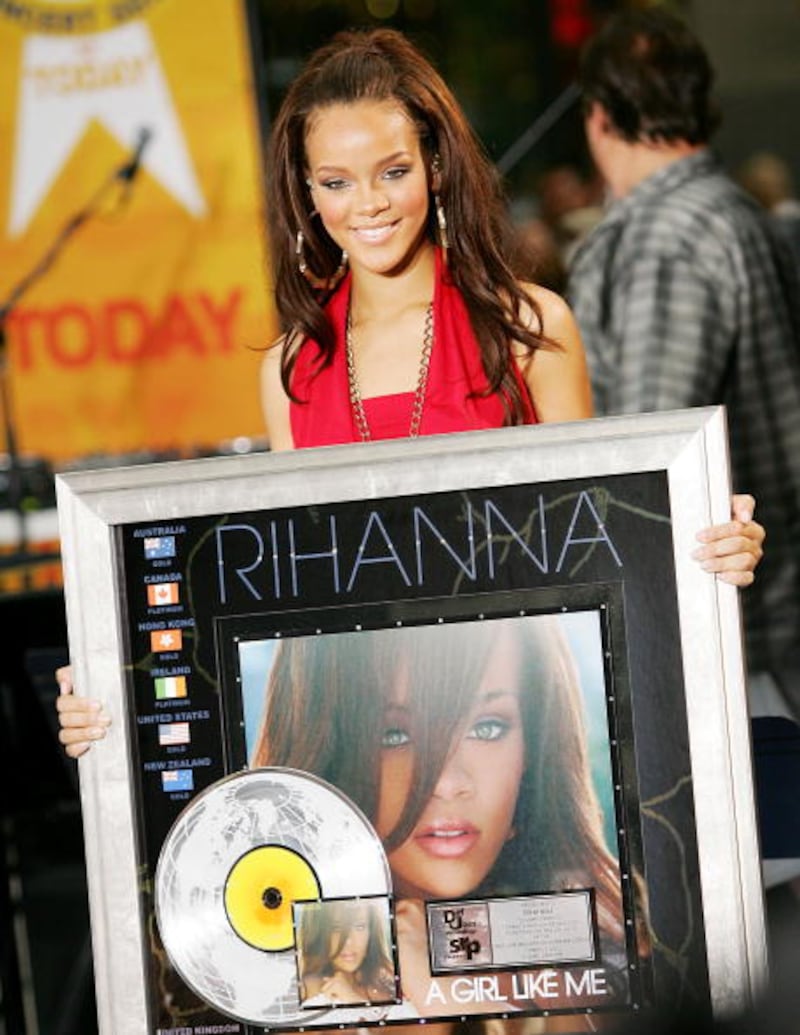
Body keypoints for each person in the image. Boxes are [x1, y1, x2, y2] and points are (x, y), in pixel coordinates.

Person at [56, 27, 762, 744]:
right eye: (336, 182)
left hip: (509, 712)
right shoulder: (293, 370)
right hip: (354, 723)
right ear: (306, 192)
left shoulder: (529, 328)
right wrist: (115, 674)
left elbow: (601, 546)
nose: (368, 204)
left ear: (436, 166)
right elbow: (284, 595)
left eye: (392, 171)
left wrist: (705, 538)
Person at [567, 10, 800, 723]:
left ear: (599, 116)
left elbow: (650, 458)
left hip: (732, 636)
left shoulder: (666, 236)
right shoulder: (737, 211)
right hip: (767, 616)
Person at [253, 615, 636, 1018]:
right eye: (393, 735)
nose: (447, 783)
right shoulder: (273, 969)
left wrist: (450, 987)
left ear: (534, 747)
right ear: (328, 748)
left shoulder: (595, 930)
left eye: (487, 728)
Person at [296, 898, 396, 1007]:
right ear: (319, 933)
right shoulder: (307, 987)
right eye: (336, 928)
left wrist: (353, 999)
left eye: (359, 927)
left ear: (372, 931)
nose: (349, 941)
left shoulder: (388, 979)